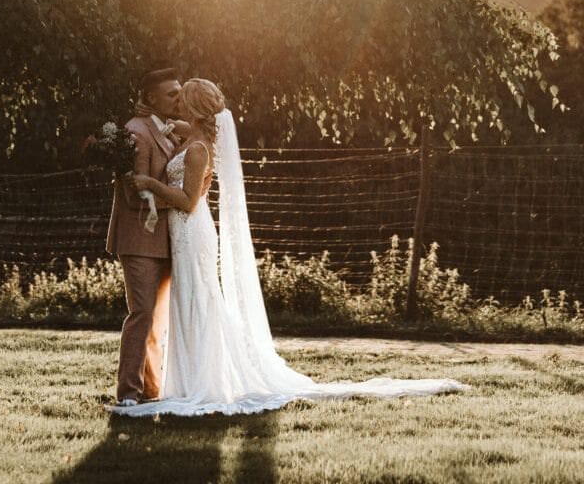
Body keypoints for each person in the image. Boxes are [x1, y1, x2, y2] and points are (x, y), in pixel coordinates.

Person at [111, 78, 466, 416]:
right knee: (191, 302)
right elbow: (180, 139)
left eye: (181, 98)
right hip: (185, 234)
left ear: (192, 107)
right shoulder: (192, 137)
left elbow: (188, 201)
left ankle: (203, 380)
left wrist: (150, 184)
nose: (176, 104)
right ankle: (188, 378)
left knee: (199, 302)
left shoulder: (198, 149)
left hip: (191, 230)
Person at [104, 67, 182, 405]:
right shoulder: (136, 131)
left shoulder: (168, 130)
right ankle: (129, 392)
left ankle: (151, 389)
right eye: (172, 94)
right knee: (142, 314)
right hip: (139, 236)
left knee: (158, 319)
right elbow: (137, 192)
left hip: (164, 236)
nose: (179, 99)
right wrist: (184, 200)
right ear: (151, 98)